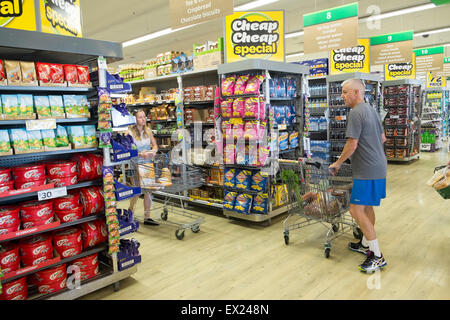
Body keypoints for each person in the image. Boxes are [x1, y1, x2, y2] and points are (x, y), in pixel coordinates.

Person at [329, 79, 388, 273]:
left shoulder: (355, 113)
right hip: (377, 166)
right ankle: (365, 244)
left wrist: (338, 162)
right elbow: (382, 138)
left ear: (356, 92)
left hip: (367, 169)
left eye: (345, 92)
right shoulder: (371, 109)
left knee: (356, 210)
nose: (342, 96)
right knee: (367, 207)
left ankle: (377, 256)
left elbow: (352, 144)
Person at [128, 109, 159, 226]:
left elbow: (155, 145)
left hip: (147, 164)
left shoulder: (148, 131)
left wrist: (153, 151)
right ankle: (130, 211)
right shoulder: (130, 133)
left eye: (144, 117)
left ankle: (147, 217)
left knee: (148, 190)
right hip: (135, 164)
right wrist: (140, 154)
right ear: (135, 119)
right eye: (140, 117)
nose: (143, 119)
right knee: (137, 190)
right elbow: (129, 150)